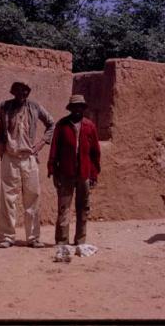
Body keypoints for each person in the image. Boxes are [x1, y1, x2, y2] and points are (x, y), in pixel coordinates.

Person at [0, 82, 55, 248]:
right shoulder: (3, 106)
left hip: (29, 158)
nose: (22, 93)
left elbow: (52, 124)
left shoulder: (35, 107)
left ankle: (33, 237)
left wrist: (41, 143)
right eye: (18, 90)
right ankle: (7, 237)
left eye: (25, 91)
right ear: (13, 92)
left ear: (28, 92)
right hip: (10, 157)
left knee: (32, 198)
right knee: (8, 198)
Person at [47, 94, 101, 245]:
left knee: (83, 208)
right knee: (64, 208)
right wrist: (53, 170)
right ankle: (62, 241)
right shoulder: (62, 125)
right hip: (65, 173)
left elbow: (95, 152)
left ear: (83, 108)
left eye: (80, 107)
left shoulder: (89, 126)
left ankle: (80, 240)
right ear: (70, 109)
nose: (77, 110)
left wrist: (93, 174)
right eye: (75, 107)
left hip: (84, 174)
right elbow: (54, 149)